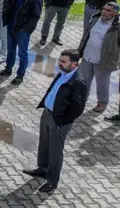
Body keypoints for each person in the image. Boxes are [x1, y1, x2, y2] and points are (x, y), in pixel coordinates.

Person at [23, 49, 87, 193]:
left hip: (60, 121)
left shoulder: (78, 83)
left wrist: (62, 121)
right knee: (44, 144)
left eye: (63, 62)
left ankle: (52, 181)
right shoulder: (62, 73)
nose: (59, 63)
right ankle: (43, 168)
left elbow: (78, 108)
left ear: (74, 64)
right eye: (59, 60)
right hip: (47, 114)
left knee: (55, 151)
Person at [0, 0, 43, 85]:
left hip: (22, 30)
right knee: (10, 50)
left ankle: (20, 76)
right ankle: (8, 69)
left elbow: (34, 18)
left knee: (22, 53)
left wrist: (25, 30)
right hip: (12, 25)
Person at [77, 2, 120, 113]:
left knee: (102, 84)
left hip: (104, 60)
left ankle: (102, 103)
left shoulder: (117, 26)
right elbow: (86, 35)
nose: (104, 12)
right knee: (83, 80)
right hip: (87, 55)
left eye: (108, 10)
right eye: (104, 9)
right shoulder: (95, 19)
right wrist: (79, 51)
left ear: (115, 14)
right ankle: (81, 99)